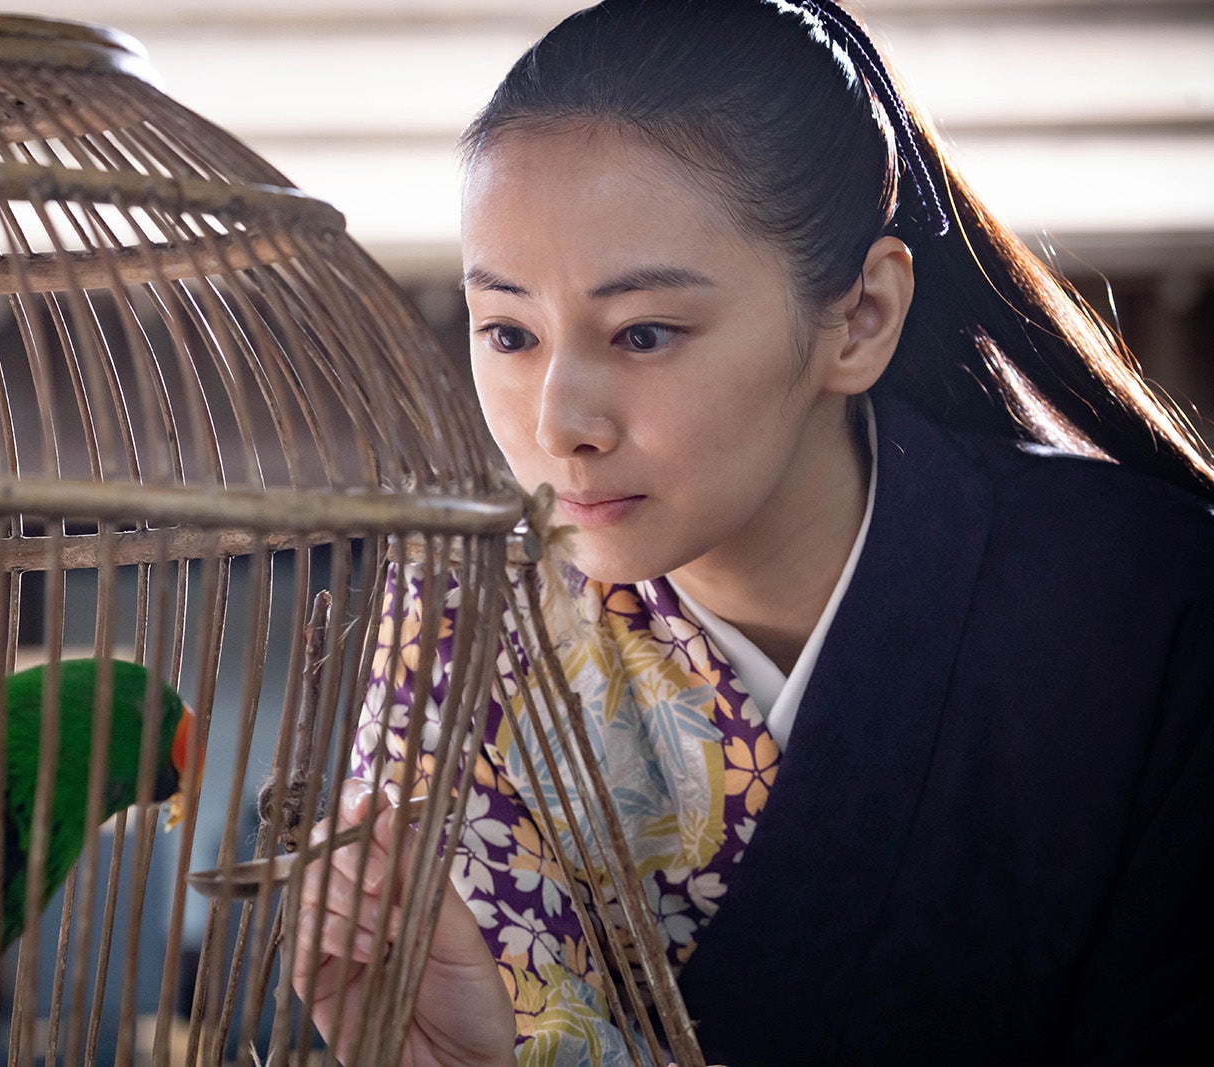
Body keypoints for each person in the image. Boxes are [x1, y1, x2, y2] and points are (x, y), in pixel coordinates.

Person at [293, 1, 1214, 1064]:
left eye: (644, 332)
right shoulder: (458, 643)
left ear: (860, 315)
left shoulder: (1143, 606)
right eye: (507, 332)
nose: (558, 424)